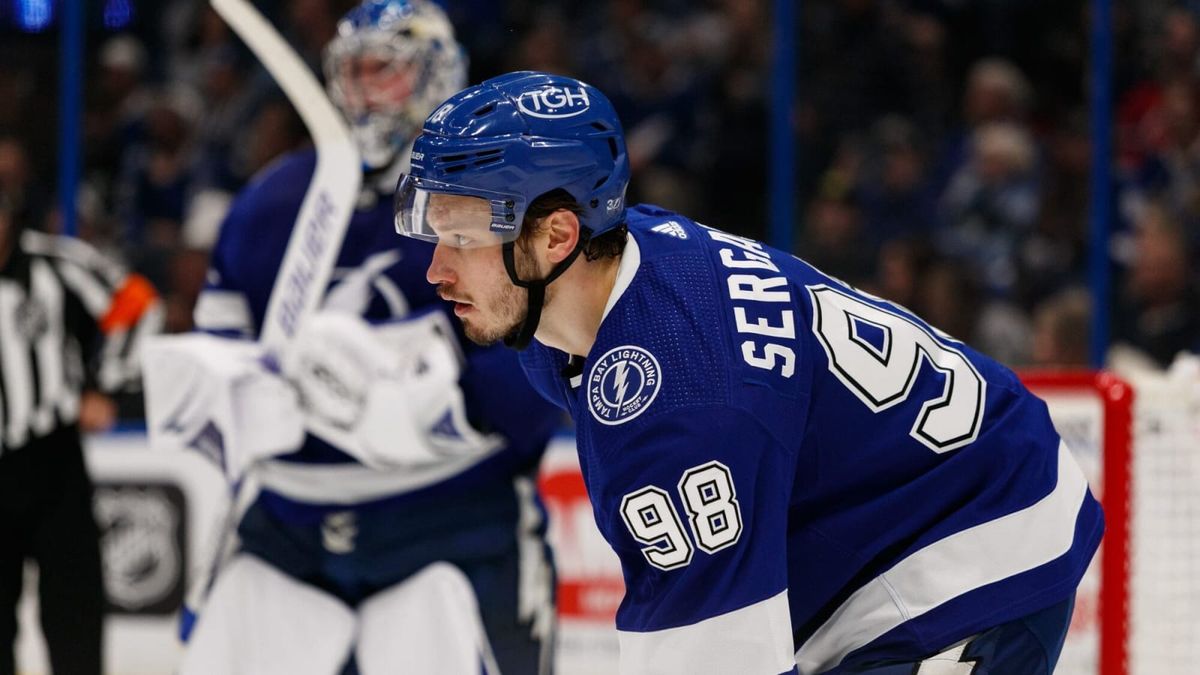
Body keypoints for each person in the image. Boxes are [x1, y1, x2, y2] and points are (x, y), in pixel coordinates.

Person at [393, 71, 1104, 675]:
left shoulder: (677, 413)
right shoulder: (604, 275)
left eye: (461, 237)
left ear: (556, 235)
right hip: (914, 497)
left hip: (970, 538)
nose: (436, 269)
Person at [158, 4, 560, 674]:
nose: (366, 89)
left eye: (387, 69)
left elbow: (543, 374)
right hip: (292, 529)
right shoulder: (271, 203)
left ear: (438, 77)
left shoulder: (501, 198)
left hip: (452, 524)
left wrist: (427, 394)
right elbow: (220, 344)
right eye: (355, 70)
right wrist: (236, 396)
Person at [0, 193, 162, 674]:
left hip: (51, 459)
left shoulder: (55, 263)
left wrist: (107, 386)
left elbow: (137, 305)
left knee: (73, 614)